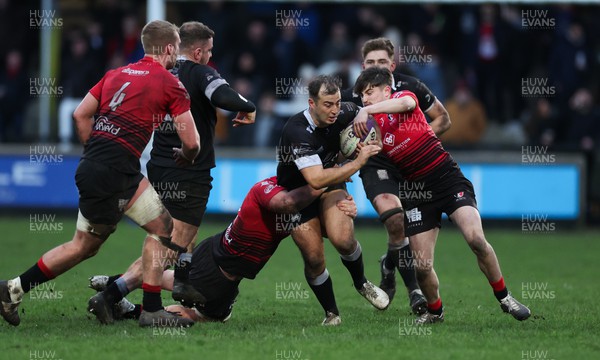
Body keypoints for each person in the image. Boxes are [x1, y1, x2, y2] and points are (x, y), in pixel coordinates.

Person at [0, 20, 200, 328]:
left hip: (104, 167)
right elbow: (192, 142)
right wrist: (186, 157)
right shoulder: (170, 83)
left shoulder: (115, 73)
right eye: (177, 50)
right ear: (170, 48)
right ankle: (150, 310)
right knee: (145, 235)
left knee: (100, 242)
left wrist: (95, 152)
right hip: (116, 171)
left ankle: (12, 289)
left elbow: (80, 114)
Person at [88, 21, 257, 318]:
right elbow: (224, 97)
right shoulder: (200, 72)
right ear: (197, 50)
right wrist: (250, 106)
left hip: (160, 164)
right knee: (169, 244)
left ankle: (168, 282)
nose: (209, 57)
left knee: (178, 243)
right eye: (208, 51)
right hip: (188, 168)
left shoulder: (161, 73)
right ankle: (115, 293)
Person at [353, 67, 531, 324]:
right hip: (417, 194)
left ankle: (505, 298)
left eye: (369, 93)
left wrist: (365, 110)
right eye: (362, 96)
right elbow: (379, 148)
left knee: (476, 240)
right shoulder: (376, 126)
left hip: (447, 180)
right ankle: (435, 312)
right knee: (422, 267)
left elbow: (402, 103)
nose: (365, 99)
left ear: (386, 89)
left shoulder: (405, 98)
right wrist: (362, 150)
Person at [88, 177, 357, 324]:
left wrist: (344, 213)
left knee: (207, 315)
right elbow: (287, 204)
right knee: (178, 281)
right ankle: (116, 288)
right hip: (217, 264)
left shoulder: (298, 201)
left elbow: (317, 229)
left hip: (226, 273)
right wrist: (342, 172)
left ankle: (123, 302)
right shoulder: (269, 191)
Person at [340, 37, 451, 313]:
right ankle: (415, 291)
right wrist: (342, 166)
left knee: (408, 230)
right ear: (361, 64)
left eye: (381, 62)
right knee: (394, 217)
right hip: (376, 163)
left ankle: (389, 264)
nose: (375, 67)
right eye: (369, 63)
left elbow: (443, 119)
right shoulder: (351, 96)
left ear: (392, 64)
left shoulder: (410, 87)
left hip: (412, 163)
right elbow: (334, 139)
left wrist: (417, 140)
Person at [277, 74, 388, 325]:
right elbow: (315, 179)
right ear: (311, 103)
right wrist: (356, 161)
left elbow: (371, 116)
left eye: (338, 102)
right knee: (314, 258)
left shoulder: (346, 111)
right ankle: (332, 313)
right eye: (328, 104)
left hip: (329, 186)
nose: (335, 110)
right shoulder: (297, 131)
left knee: (343, 239)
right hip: (298, 197)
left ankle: (362, 283)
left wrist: (371, 132)